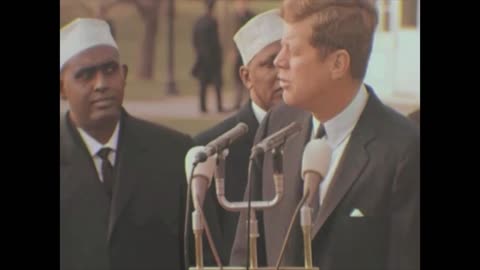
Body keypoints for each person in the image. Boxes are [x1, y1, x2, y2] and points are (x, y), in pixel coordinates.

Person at [230, 1, 420, 270]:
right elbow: (245, 255)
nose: (279, 61)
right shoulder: (276, 124)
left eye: (292, 50)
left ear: (338, 63)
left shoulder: (405, 150)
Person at [60, 18, 192, 270]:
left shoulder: (174, 153)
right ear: (62, 88)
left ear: (125, 74)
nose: (101, 84)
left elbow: (200, 255)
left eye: (110, 70)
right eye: (85, 75)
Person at [194, 9, 284, 264]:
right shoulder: (212, 148)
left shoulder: (315, 137)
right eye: (269, 64)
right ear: (246, 76)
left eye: (287, 62)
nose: (281, 73)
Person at [191, 0, 224, 113]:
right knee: (217, 84)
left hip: (202, 57)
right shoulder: (212, 22)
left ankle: (202, 107)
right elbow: (215, 41)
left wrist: (198, 53)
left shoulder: (198, 22)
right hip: (212, 58)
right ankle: (219, 106)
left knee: (203, 84)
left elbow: (194, 39)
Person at [231, 0, 256, 110]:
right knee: (237, 78)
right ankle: (237, 101)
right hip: (238, 53)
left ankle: (250, 101)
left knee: (250, 76)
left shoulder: (251, 17)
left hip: (248, 51)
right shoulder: (234, 18)